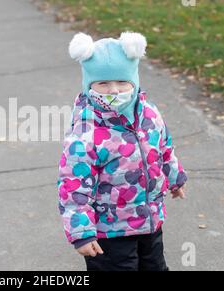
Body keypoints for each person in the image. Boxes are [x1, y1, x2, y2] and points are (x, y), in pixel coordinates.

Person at [57, 32, 188, 271]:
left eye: (121, 82)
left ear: (134, 81)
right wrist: (81, 232)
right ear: (89, 85)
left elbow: (164, 148)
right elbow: (73, 185)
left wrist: (174, 178)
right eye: (103, 83)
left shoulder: (149, 114)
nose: (114, 91)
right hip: (109, 233)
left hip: (149, 221)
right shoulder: (85, 133)